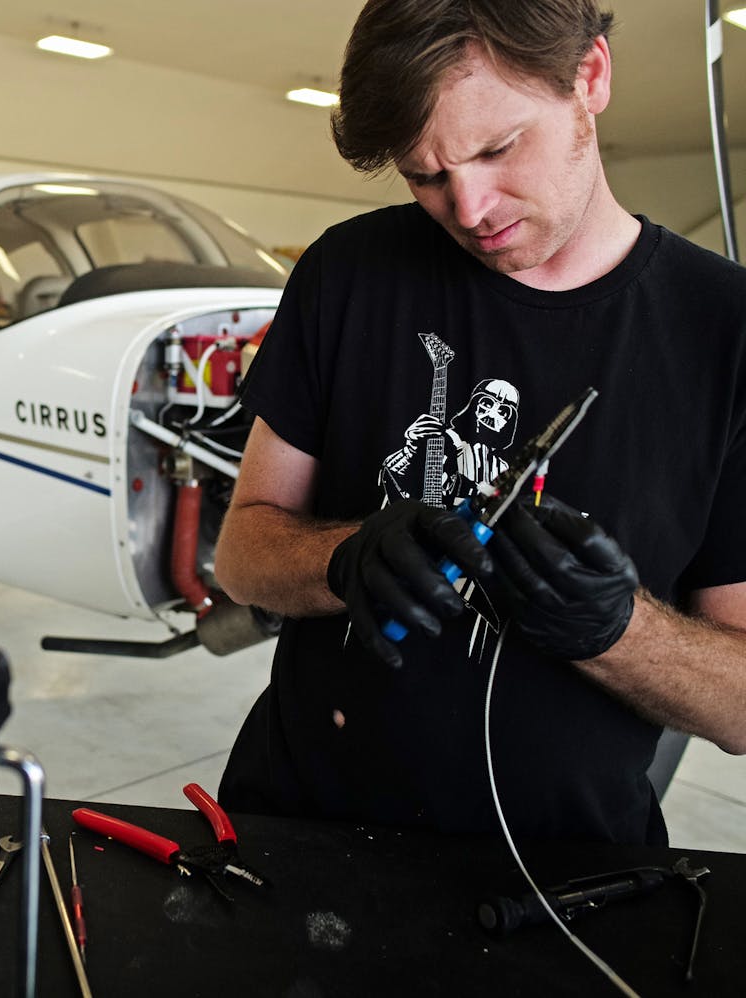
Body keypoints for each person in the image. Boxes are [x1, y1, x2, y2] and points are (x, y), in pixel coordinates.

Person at [214, 0, 746, 846]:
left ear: (591, 77)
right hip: (298, 831)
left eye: (498, 149)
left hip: (562, 883)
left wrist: (619, 630)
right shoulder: (348, 274)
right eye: (424, 176)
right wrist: (343, 559)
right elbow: (240, 556)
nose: (468, 209)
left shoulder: (726, 330)